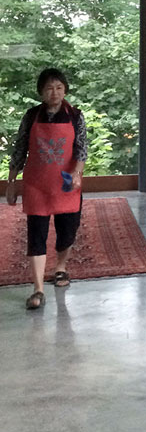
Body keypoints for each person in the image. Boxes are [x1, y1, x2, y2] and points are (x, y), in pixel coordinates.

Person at [6, 67, 88, 311]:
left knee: (67, 231)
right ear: (41, 92)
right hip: (36, 184)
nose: (55, 93)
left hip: (66, 183)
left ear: (65, 90)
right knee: (36, 234)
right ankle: (38, 289)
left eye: (59, 88)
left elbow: (81, 149)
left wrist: (77, 174)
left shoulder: (75, 116)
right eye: (49, 88)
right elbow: (20, 149)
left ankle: (60, 267)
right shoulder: (31, 116)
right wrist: (11, 182)